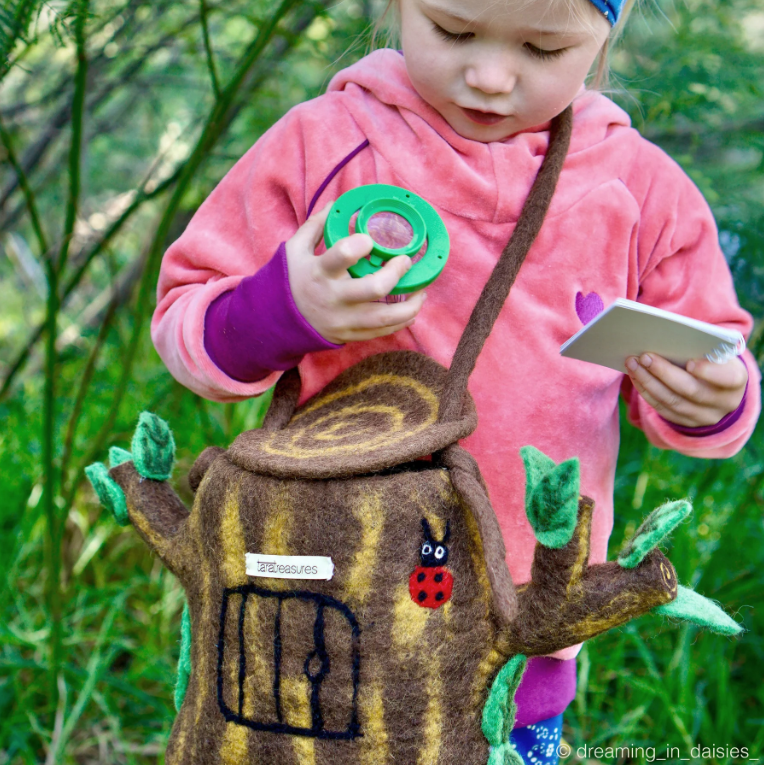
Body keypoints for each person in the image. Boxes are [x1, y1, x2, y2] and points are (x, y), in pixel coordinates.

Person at [151, 0, 760, 761]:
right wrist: (284, 307)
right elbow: (185, 323)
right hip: (318, 618)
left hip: (520, 644)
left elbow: (709, 354)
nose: (489, 76)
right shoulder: (324, 145)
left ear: (608, 35)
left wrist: (714, 398)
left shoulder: (639, 192)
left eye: (543, 49)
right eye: (454, 31)